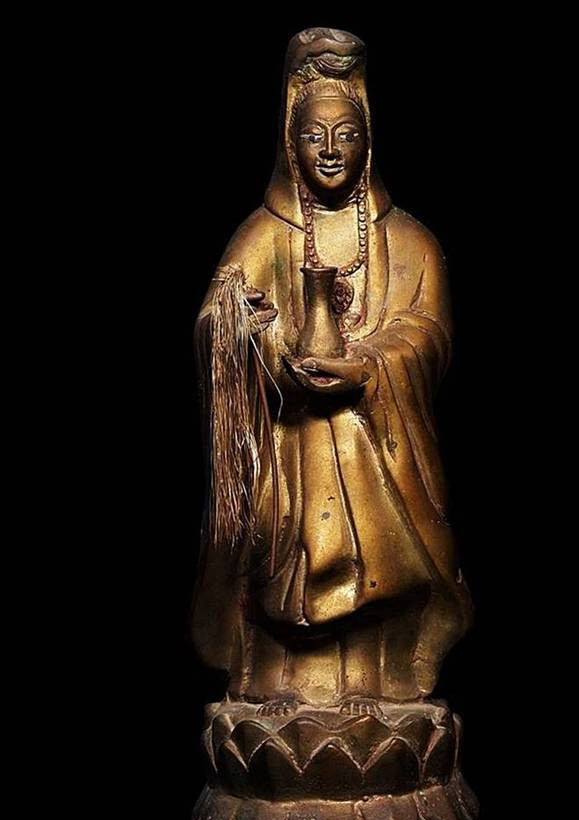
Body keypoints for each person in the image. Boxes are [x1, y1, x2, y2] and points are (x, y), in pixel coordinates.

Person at [191, 27, 472, 715]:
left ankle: (386, 680)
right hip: (290, 449)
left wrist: (369, 368)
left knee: (367, 504)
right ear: (290, 143)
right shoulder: (265, 235)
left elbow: (429, 335)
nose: (329, 150)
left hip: (377, 445)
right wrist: (255, 335)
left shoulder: (409, 241)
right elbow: (213, 323)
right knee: (286, 526)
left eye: (346, 135)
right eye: (313, 135)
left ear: (368, 143)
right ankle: (277, 681)